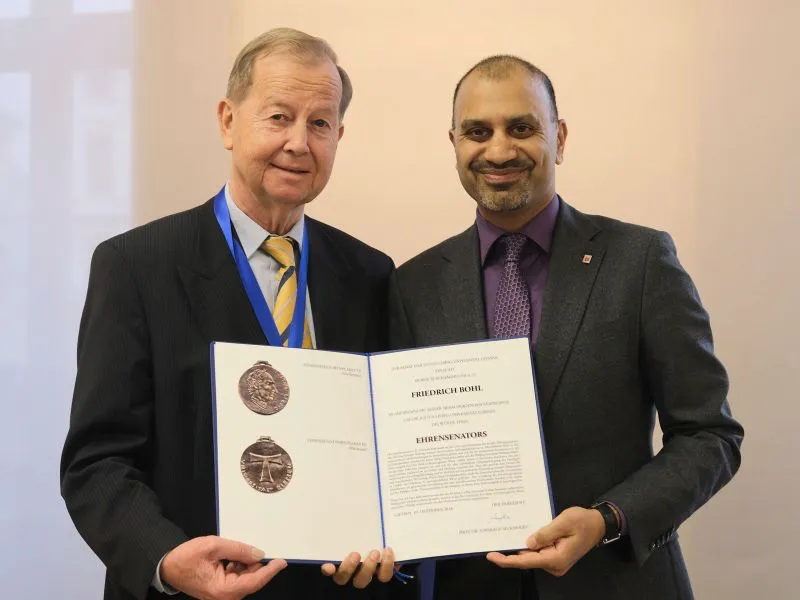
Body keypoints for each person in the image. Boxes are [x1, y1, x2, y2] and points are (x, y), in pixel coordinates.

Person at [60, 28, 409, 600]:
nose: (299, 142)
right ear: (227, 121)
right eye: (278, 117)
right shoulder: (135, 266)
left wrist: (387, 541)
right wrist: (166, 558)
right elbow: (96, 463)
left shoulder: (370, 274)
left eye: (320, 123)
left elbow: (383, 451)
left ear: (338, 137)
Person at [388, 55, 744, 599]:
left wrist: (607, 519)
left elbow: (710, 435)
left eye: (522, 128)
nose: (500, 150)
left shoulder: (640, 260)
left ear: (560, 137)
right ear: (455, 144)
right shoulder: (412, 285)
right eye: (477, 132)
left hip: (617, 582)